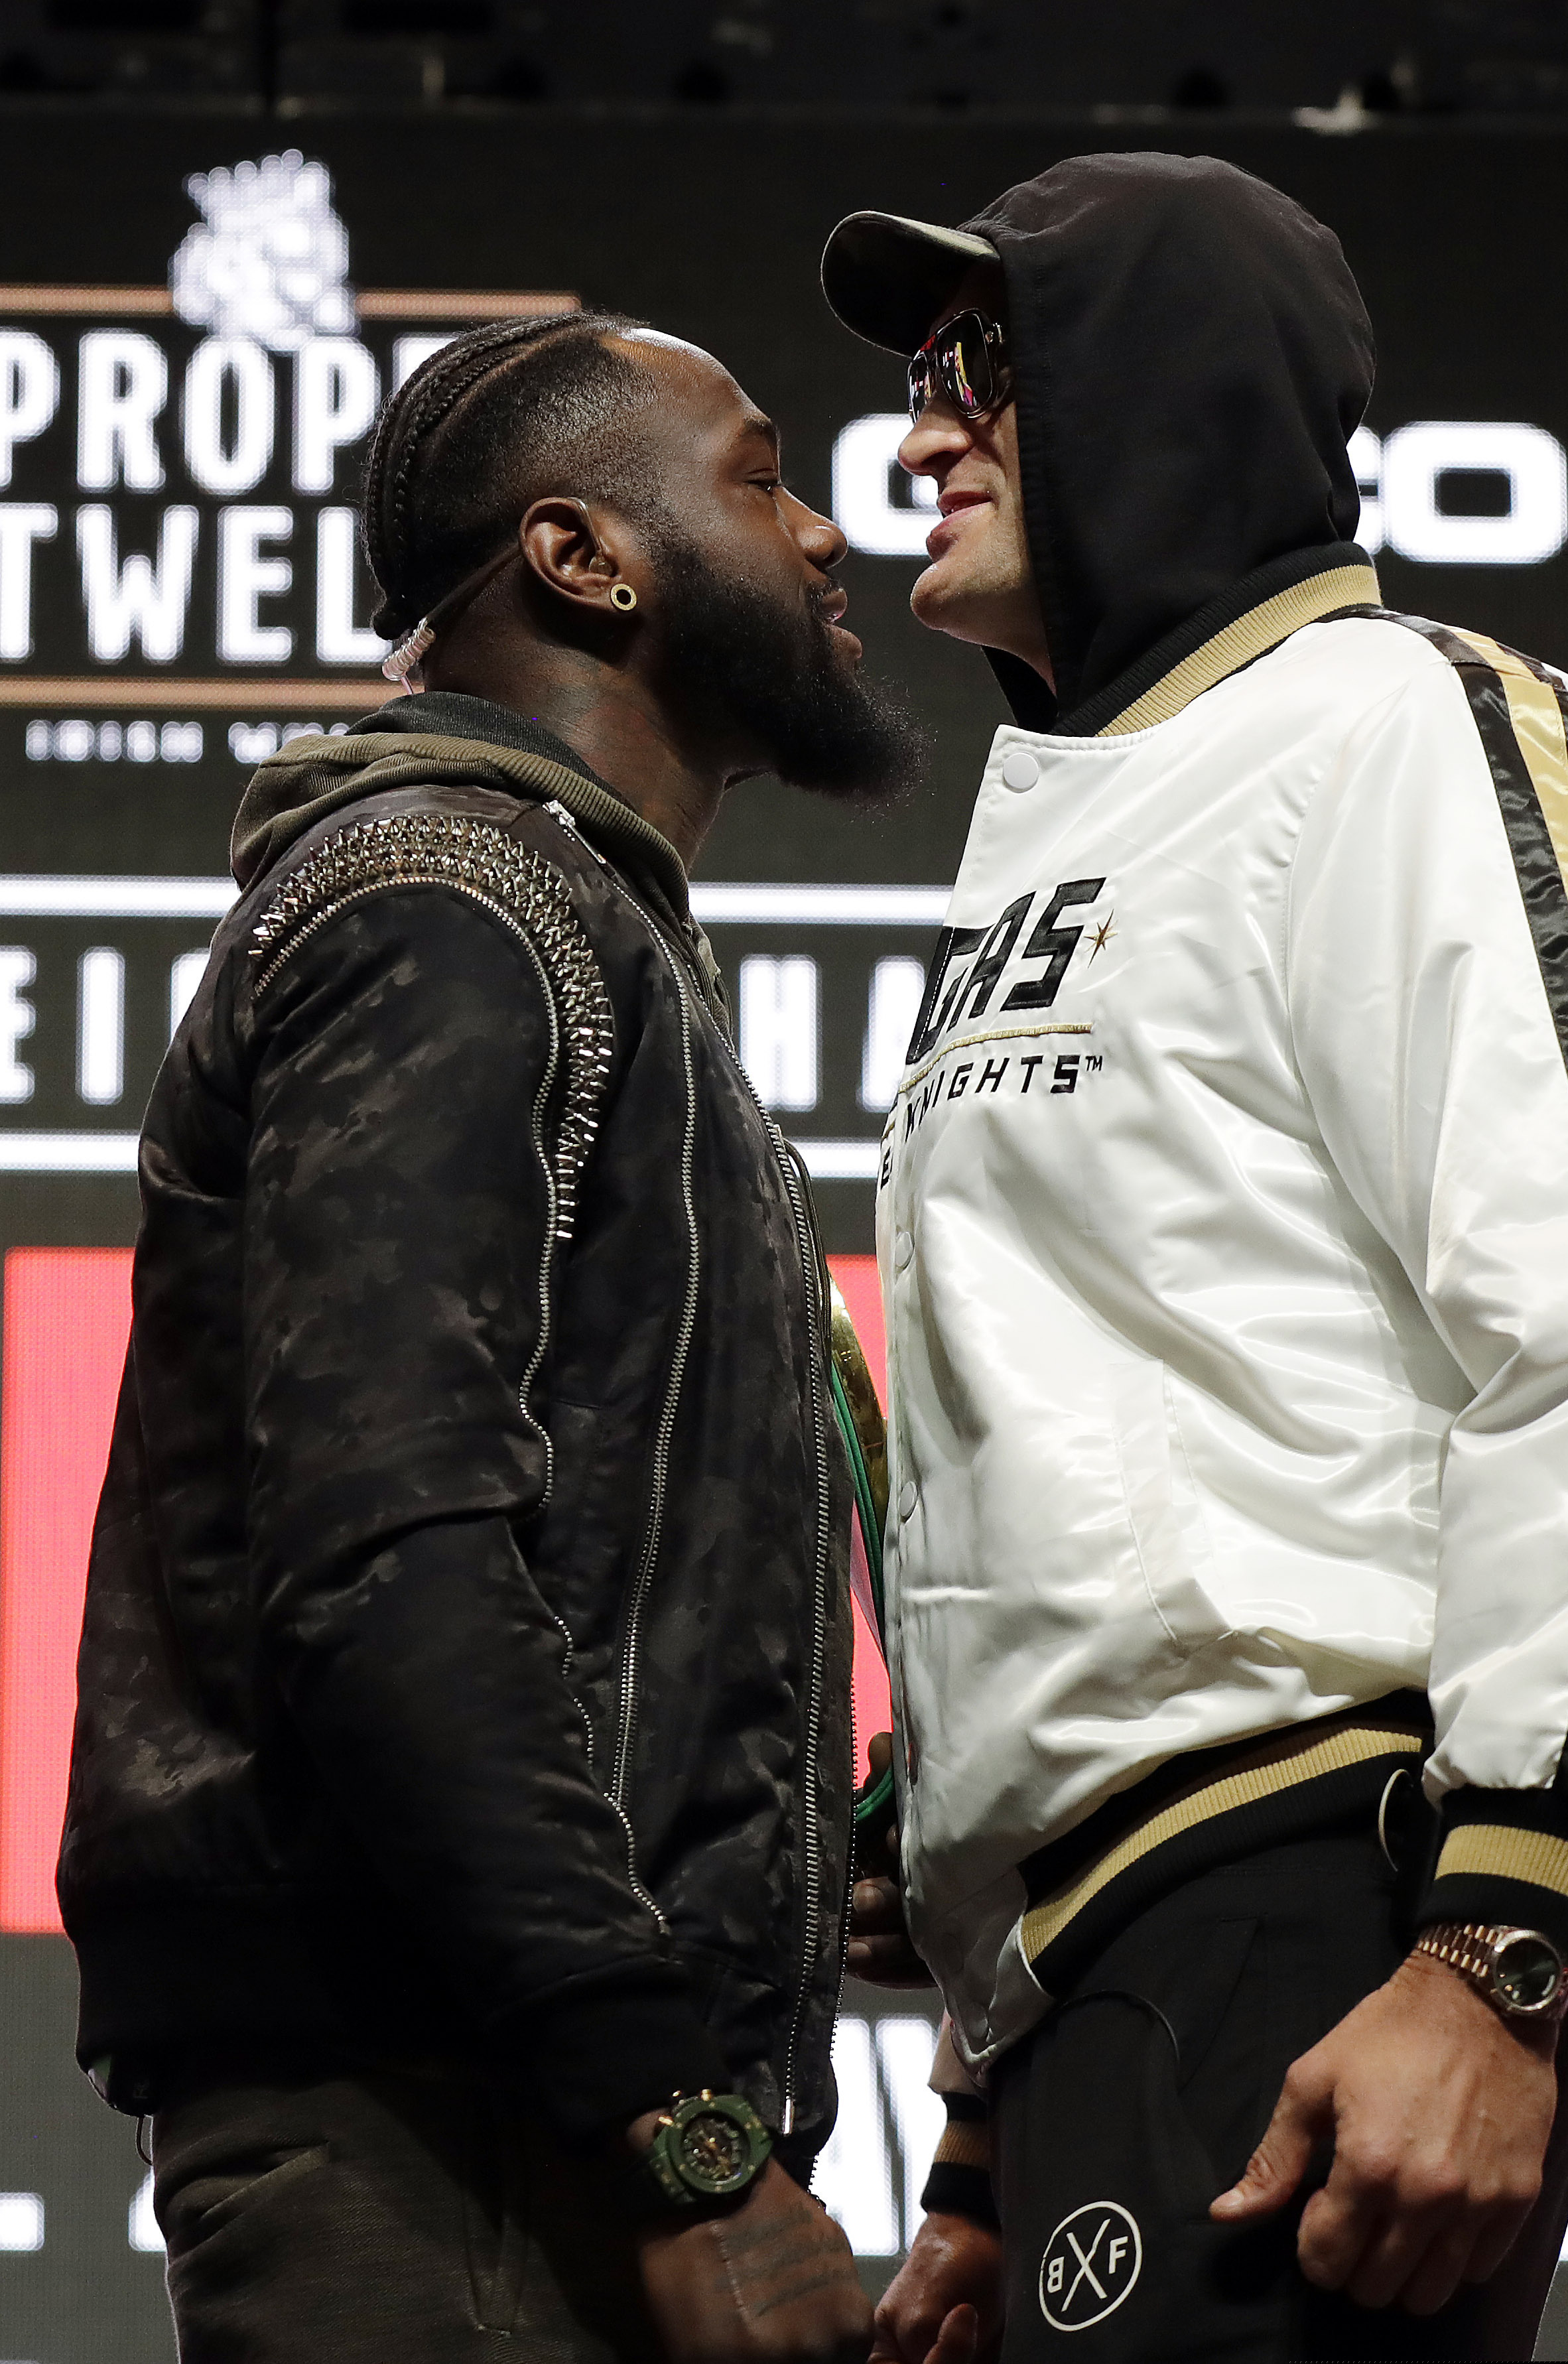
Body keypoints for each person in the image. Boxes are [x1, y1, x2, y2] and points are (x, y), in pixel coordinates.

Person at [820, 153, 1568, 2361]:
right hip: (1108, 1971)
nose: (914, 437)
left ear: (1156, 385)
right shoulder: (1082, 824)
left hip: (1339, 1895)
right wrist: (981, 2135)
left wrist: (1505, 1951)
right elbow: (1099, 1510)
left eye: (982, 363)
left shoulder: (1408, 729)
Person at [58, 310, 926, 2361]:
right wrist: (669, 2127)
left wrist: (814, 1855)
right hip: (451, 2130)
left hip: (521, 2098)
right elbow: (393, 1557)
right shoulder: (444, 902)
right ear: (582, 556)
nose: (826, 534)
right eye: (755, 472)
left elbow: (578, 1582)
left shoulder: (562, 922)